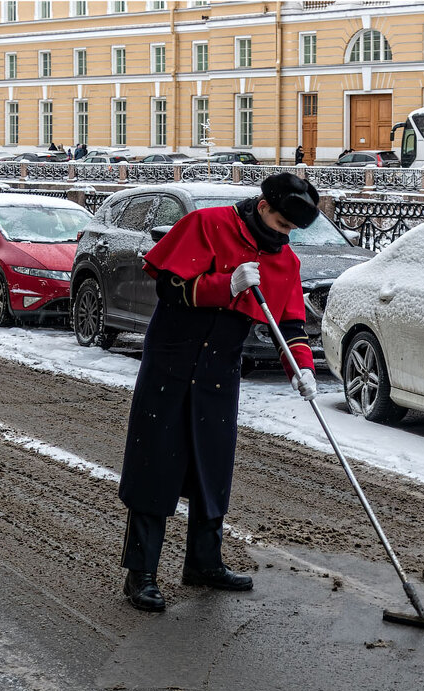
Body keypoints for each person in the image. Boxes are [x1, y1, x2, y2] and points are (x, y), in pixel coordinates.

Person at [118, 172, 321, 612]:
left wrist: (301, 369)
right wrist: (223, 284)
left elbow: (290, 327)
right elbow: (167, 287)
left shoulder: (285, 262)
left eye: (291, 232)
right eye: (282, 226)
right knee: (156, 463)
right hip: (172, 358)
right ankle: (142, 574)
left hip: (219, 366)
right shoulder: (208, 224)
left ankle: (204, 563)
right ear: (264, 207)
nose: (283, 237)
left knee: (212, 463)